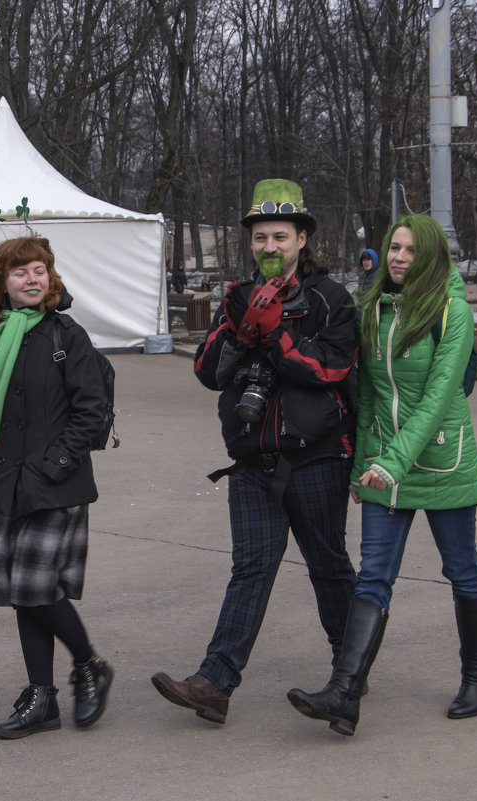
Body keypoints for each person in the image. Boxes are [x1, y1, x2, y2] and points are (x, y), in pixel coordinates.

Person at [151, 179, 359, 725]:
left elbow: (331, 369)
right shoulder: (237, 296)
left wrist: (279, 337)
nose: (269, 247)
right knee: (251, 569)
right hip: (252, 461)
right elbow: (207, 372)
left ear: (302, 238)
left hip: (317, 458)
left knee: (329, 568)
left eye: (280, 236)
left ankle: (349, 675)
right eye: (261, 237)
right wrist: (243, 331)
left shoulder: (331, 300)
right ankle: (214, 684)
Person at [286, 214, 477, 737]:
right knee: (374, 575)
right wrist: (364, 469)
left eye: (409, 251)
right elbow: (373, 397)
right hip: (384, 467)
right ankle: (345, 693)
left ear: (430, 258)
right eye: (393, 248)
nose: (398, 258)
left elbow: (438, 399)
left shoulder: (454, 312)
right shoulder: (375, 309)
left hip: (442, 461)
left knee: (462, 570)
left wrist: (390, 462)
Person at [0, 235, 114, 740]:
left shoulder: (67, 335)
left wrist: (52, 464)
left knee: (37, 591)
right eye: (20, 273)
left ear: (50, 277)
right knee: (22, 594)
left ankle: (90, 665)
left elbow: (90, 411)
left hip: (54, 483)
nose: (31, 279)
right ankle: (42, 698)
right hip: (8, 481)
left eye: (39, 270)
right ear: (2, 283)